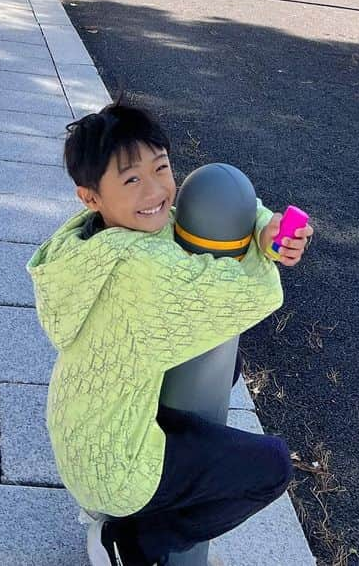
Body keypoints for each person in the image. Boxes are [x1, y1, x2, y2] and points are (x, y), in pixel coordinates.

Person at [28, 102, 313, 566]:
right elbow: (244, 296)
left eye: (161, 167)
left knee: (225, 363)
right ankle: (135, 541)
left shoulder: (92, 238)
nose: (156, 190)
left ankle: (122, 513)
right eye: (131, 179)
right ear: (91, 197)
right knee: (271, 466)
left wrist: (263, 224)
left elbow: (190, 209)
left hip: (82, 430)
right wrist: (264, 249)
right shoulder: (144, 269)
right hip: (117, 466)